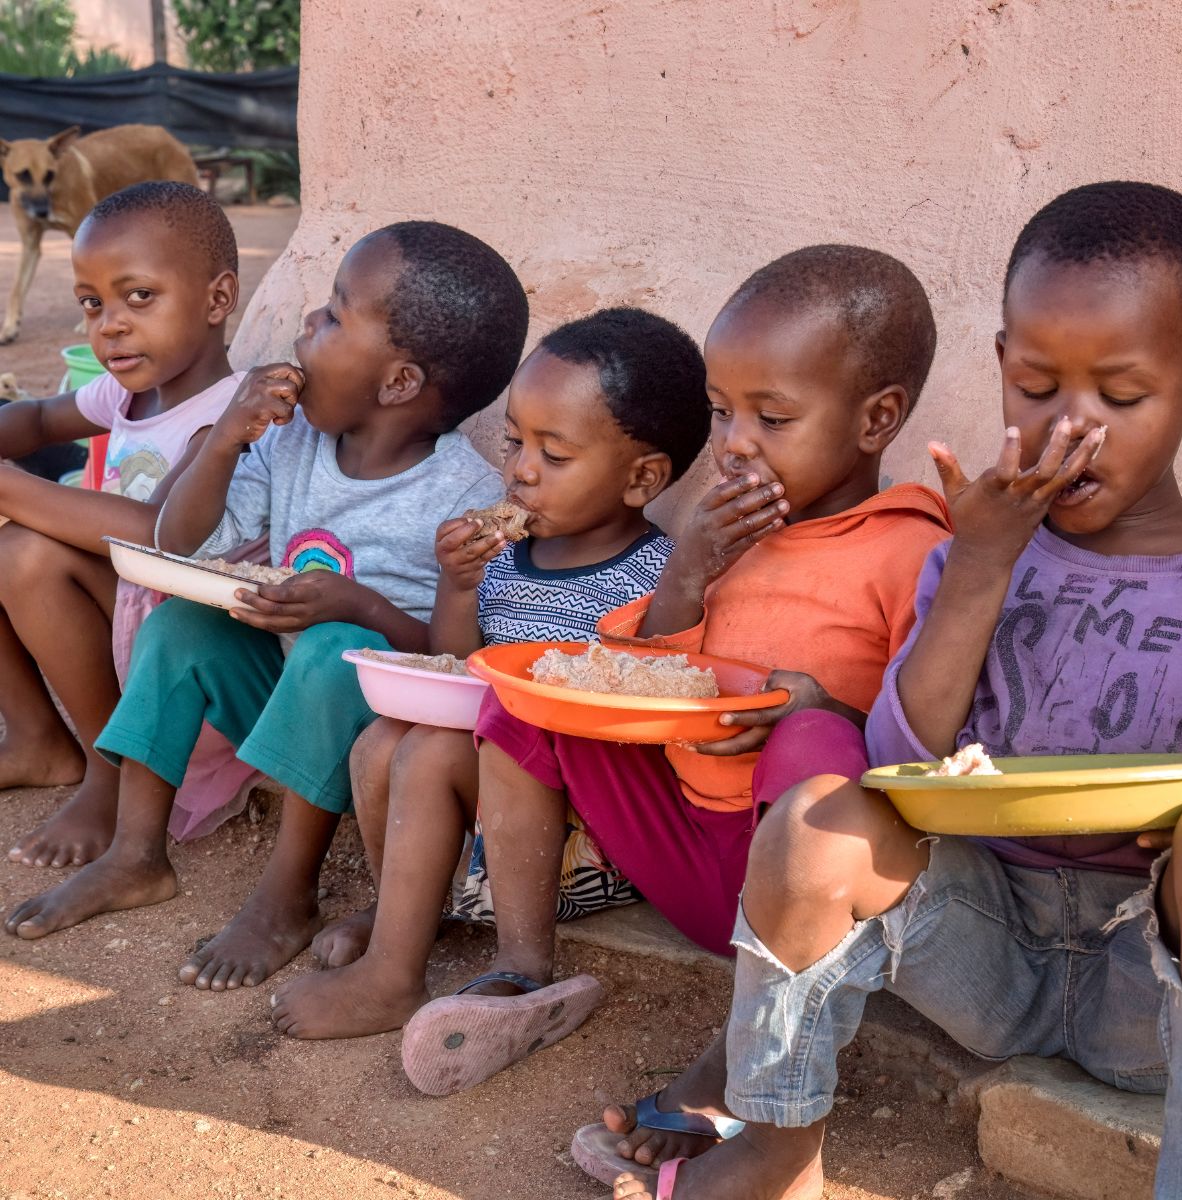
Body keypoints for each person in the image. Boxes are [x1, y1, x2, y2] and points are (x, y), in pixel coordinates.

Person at [604, 181, 1182, 1200]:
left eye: (1124, 396)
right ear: (1004, 367)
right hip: (983, 944)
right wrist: (977, 572)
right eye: (1039, 387)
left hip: (1150, 983)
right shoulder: (970, 550)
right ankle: (778, 1150)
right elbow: (898, 755)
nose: (1076, 427)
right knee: (815, 823)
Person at [398, 245, 954, 1100]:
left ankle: (749, 1050)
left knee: (808, 730)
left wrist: (831, 709)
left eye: (772, 418)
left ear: (876, 420)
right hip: (690, 863)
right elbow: (630, 678)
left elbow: (933, 741)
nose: (734, 446)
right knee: (539, 698)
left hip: (807, 886)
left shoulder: (912, 548)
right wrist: (689, 569)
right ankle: (523, 972)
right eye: (722, 412)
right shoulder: (719, 533)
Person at [2, 221, 530, 1004]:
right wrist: (225, 442)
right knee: (181, 620)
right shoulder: (290, 445)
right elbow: (182, 540)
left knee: (331, 648)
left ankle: (288, 891)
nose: (305, 327)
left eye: (334, 316)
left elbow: (451, 663)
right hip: (269, 699)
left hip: (363, 743)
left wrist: (356, 604)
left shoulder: (464, 495)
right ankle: (138, 851)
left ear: (397, 382)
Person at [268, 306, 712, 1039]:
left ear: (641, 479)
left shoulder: (652, 579)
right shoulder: (501, 557)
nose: (521, 470)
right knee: (382, 741)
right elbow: (454, 667)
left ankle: (396, 975)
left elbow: (643, 705)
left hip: (576, 845)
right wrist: (459, 587)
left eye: (555, 455)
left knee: (435, 749)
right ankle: (407, 912)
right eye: (513, 442)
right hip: (480, 816)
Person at [0, 182, 244, 870]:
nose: (110, 324)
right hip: (120, 617)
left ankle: (111, 774)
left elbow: (153, 528)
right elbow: (42, 419)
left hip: (183, 656)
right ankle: (36, 739)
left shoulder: (231, 414)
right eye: (92, 303)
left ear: (216, 299)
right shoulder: (131, 391)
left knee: (21, 554)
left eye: (139, 297)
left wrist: (9, 486)